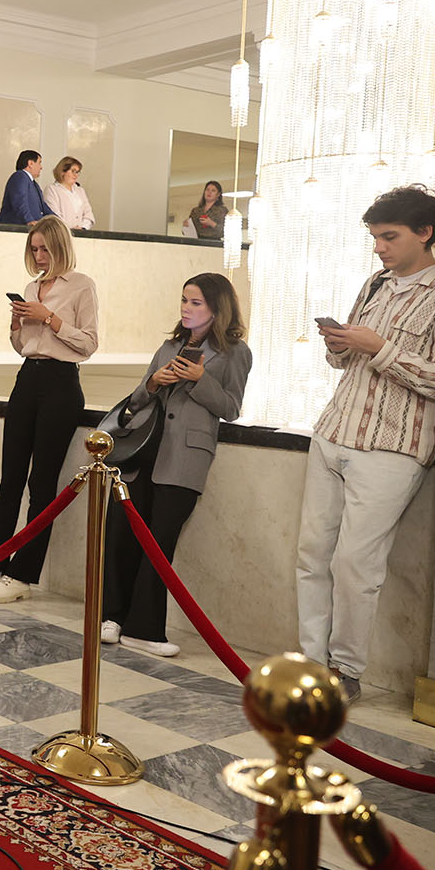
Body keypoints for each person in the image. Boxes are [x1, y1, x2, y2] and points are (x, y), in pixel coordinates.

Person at [296, 186, 435, 702]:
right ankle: (310, 663)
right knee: (312, 556)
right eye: (374, 237)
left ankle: (345, 670)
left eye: (389, 237)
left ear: (425, 233)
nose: (379, 248)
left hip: (393, 448)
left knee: (356, 565)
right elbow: (344, 362)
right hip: (333, 432)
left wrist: (380, 348)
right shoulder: (376, 284)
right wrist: (340, 344)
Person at [101, 273, 252, 656]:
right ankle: (111, 618)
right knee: (121, 535)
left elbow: (231, 407)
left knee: (159, 544)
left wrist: (200, 379)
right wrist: (153, 382)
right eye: (184, 300)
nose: (186, 308)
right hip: (143, 453)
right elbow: (137, 399)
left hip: (185, 458)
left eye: (195, 302)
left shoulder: (235, 352)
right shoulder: (169, 345)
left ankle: (144, 629)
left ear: (217, 308)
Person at [0, 216, 98, 603]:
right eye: (34, 249)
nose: (38, 256)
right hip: (27, 378)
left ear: (60, 247)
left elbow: (89, 344)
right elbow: (23, 347)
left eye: (44, 249)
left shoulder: (81, 285)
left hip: (61, 383)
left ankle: (22, 575)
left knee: (41, 485)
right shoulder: (31, 287)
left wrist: (49, 318)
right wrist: (17, 324)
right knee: (9, 481)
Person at [0, 149, 55, 226]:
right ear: (30, 163)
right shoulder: (20, 176)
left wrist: (59, 222)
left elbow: (44, 207)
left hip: (30, 228)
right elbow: (19, 201)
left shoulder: (34, 184)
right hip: (16, 228)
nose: (41, 167)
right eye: (39, 163)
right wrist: (29, 220)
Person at [43, 156, 95, 230]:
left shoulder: (80, 191)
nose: (76, 175)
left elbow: (88, 213)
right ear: (62, 171)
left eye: (77, 172)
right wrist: (69, 229)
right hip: (61, 232)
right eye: (73, 171)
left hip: (81, 233)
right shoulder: (52, 189)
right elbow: (54, 215)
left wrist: (83, 227)